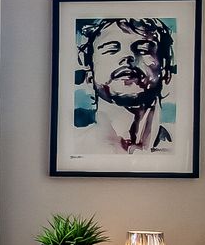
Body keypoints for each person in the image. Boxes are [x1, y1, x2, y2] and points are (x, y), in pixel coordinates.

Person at [74, 17, 176, 154]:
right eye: (111, 49)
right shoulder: (75, 148)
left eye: (143, 49)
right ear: (89, 70)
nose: (128, 56)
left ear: (165, 70)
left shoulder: (177, 146)